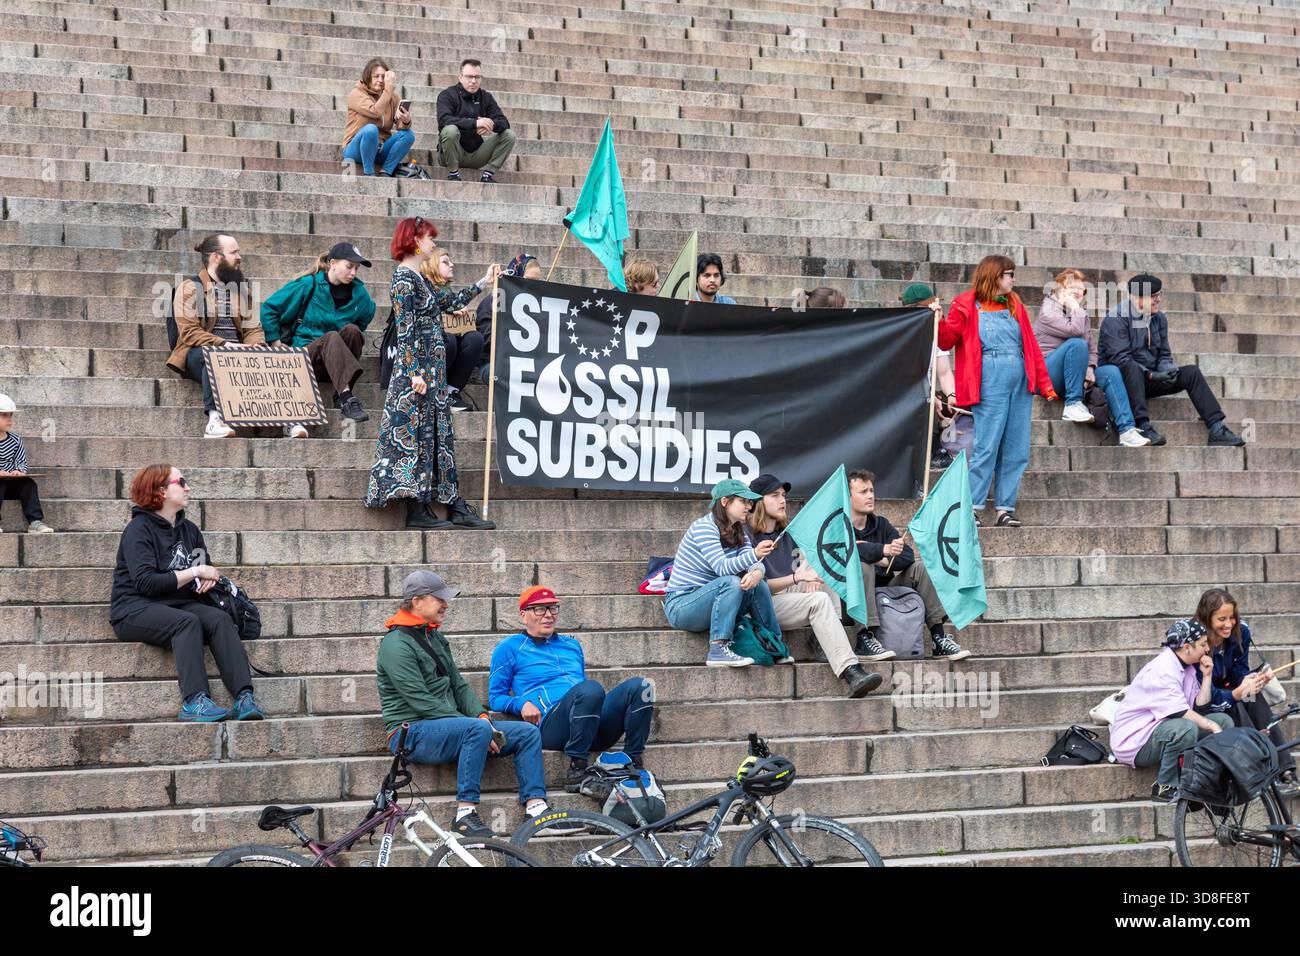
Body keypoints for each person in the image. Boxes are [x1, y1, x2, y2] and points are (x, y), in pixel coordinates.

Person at [376, 570, 551, 837]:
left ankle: (537, 810)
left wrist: (481, 717)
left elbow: (457, 685)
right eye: (439, 599)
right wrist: (476, 727)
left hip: (453, 728)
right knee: (477, 729)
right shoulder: (395, 645)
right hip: (411, 733)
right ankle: (464, 814)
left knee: (527, 733)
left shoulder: (433, 636)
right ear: (417, 601)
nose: (446, 604)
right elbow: (420, 701)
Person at [365, 217, 497, 530]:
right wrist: (414, 373)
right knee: (415, 437)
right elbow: (405, 328)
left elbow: (449, 302)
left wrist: (483, 282)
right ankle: (417, 508)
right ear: (413, 241)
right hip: (417, 374)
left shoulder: (419, 279)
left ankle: (448, 502)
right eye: (428, 238)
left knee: (434, 437)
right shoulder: (403, 279)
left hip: (432, 373)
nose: (433, 244)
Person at [109, 464, 265, 722]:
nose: (187, 487)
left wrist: (207, 579)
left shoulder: (189, 529)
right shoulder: (138, 531)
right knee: (187, 623)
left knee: (219, 619)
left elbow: (201, 567)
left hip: (178, 603)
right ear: (160, 490)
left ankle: (243, 698)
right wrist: (195, 573)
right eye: (180, 482)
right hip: (134, 609)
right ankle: (194, 702)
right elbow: (147, 584)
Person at [489, 586, 654, 789]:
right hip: (553, 725)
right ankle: (578, 766)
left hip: (591, 724)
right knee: (590, 688)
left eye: (552, 608)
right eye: (539, 609)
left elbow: (583, 689)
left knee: (642, 687)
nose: (548, 615)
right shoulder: (509, 648)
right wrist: (521, 703)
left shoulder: (571, 645)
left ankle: (633, 760)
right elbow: (495, 697)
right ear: (524, 615)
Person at [939, 255, 1057, 527]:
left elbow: (1030, 346)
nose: (1013, 279)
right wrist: (940, 317)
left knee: (1016, 447)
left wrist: (1044, 384)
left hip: (1019, 380)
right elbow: (946, 339)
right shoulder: (965, 303)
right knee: (986, 445)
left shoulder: (1014, 303)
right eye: (1009, 274)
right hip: (989, 380)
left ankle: (1005, 508)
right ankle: (971, 508)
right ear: (994, 276)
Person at [748, 473, 883, 698]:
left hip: (788, 595)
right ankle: (851, 671)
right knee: (817, 598)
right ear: (758, 502)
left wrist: (811, 572)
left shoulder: (787, 533)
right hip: (763, 605)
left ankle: (821, 638)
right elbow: (758, 588)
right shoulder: (747, 536)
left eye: (783, 495)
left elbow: (813, 556)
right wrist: (798, 578)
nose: (782, 500)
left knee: (822, 574)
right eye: (774, 495)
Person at [1098, 274, 1244, 448]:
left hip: (1152, 378)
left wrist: (1167, 371)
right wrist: (1151, 375)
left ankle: (1216, 428)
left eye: (1159, 294)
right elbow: (1120, 359)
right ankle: (1142, 426)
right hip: (1124, 382)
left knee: (1191, 373)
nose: (1158, 300)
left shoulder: (1159, 319)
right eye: (1153, 296)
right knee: (1131, 367)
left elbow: (1165, 354)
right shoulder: (1116, 319)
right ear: (1137, 298)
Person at [848, 469, 969, 662]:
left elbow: (907, 556)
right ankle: (865, 638)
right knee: (862, 566)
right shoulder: (839, 526)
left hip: (887, 591)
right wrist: (882, 550)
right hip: (855, 599)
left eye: (871, 490)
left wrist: (880, 555)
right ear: (848, 496)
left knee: (921, 568)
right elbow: (847, 552)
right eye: (863, 492)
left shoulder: (881, 524)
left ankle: (938, 637)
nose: (870, 496)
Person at [1110, 619, 1233, 803]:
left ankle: (1209, 780)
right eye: (1203, 644)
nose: (1207, 649)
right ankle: (1165, 785)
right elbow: (1181, 712)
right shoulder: (1162, 670)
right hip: (1135, 741)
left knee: (1224, 721)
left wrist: (1207, 677)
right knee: (1186, 728)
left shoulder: (1187, 667)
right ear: (1187, 647)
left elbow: (1200, 707)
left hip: (1161, 728)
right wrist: (1211, 725)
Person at [260, 243, 377, 436]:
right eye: (349, 267)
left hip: (332, 365)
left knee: (353, 331)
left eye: (356, 268)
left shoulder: (360, 294)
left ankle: (342, 391)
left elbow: (366, 317)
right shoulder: (309, 284)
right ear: (333, 263)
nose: (353, 273)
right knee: (331, 337)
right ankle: (346, 396)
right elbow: (270, 308)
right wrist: (275, 341)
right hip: (305, 359)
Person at [662, 479, 781, 667]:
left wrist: (757, 572)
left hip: (714, 601)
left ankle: (774, 645)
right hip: (682, 604)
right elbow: (722, 568)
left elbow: (754, 564)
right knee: (732, 582)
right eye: (743, 502)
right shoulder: (704, 527)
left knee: (758, 584)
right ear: (725, 502)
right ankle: (718, 649)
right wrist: (754, 554)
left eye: (750, 503)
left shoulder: (739, 529)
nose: (749, 507)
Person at [1195, 588, 1297, 793]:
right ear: (1207, 618)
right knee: (1237, 705)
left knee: (1253, 695)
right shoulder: (1198, 643)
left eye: (1232, 617)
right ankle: (1264, 768)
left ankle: (1285, 771)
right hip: (1204, 701)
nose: (1228, 624)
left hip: (1229, 690)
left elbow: (1239, 670)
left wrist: (1253, 680)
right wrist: (1236, 693)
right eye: (1221, 619)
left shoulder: (1240, 631)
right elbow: (1204, 693)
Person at [1034, 269, 1150, 448]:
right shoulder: (1048, 311)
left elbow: (1092, 349)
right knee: (1076, 344)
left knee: (1110, 371)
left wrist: (1090, 367)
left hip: (1073, 375)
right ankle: (1073, 404)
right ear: (1059, 289)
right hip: (1048, 377)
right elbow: (1076, 333)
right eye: (1072, 287)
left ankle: (1127, 430)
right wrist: (1076, 308)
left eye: (1081, 289)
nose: (1078, 292)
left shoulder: (1078, 313)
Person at [166, 234, 266, 439]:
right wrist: (226, 345)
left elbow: (253, 328)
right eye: (234, 253)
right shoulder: (190, 287)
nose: (239, 257)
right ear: (216, 257)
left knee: (278, 357)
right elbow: (190, 332)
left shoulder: (240, 289)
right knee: (212, 356)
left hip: (239, 354)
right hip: (199, 355)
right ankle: (214, 420)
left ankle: (290, 421)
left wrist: (254, 345)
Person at [901, 282, 961, 470]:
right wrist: (927, 394)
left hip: (924, 392)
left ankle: (938, 448)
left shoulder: (935, 332)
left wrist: (951, 396)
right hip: (904, 393)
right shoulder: (900, 331)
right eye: (931, 306)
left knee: (947, 402)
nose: (937, 310)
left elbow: (943, 373)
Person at [420, 249, 485, 412]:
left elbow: (454, 301)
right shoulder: (422, 287)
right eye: (445, 262)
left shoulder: (446, 292)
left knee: (475, 338)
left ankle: (451, 392)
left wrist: (485, 281)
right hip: (424, 351)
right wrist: (449, 309)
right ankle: (435, 393)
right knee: (448, 339)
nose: (452, 265)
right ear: (432, 265)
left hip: (446, 346)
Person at [436, 58, 516, 183]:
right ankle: (453, 174)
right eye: (469, 77)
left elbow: (504, 122)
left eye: (477, 77)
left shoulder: (486, 97)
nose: (473, 81)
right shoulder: (447, 95)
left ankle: (488, 174)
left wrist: (490, 124)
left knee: (509, 135)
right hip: (450, 154)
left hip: (476, 154)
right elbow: (444, 120)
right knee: (450, 130)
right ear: (460, 77)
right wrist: (475, 123)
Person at [342, 57, 415, 178]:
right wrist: (388, 91)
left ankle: (386, 171)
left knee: (408, 135)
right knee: (370, 129)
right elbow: (375, 112)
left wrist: (406, 121)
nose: (380, 80)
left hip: (380, 150)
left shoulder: (391, 96)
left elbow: (400, 126)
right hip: (356, 150)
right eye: (376, 76)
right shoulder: (357, 94)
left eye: (383, 77)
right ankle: (369, 173)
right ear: (368, 76)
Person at [475, 252, 540, 381]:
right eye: (529, 280)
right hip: (494, 363)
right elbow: (487, 342)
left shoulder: (538, 305)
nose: (534, 285)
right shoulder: (492, 302)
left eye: (537, 281)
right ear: (516, 275)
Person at [0, 395, 53, 533]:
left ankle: (35, 521)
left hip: (11, 482)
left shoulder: (15, 440)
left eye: (10, 415)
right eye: (4, 415)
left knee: (28, 484)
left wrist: (19, 471)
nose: (9, 419)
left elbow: (21, 461)